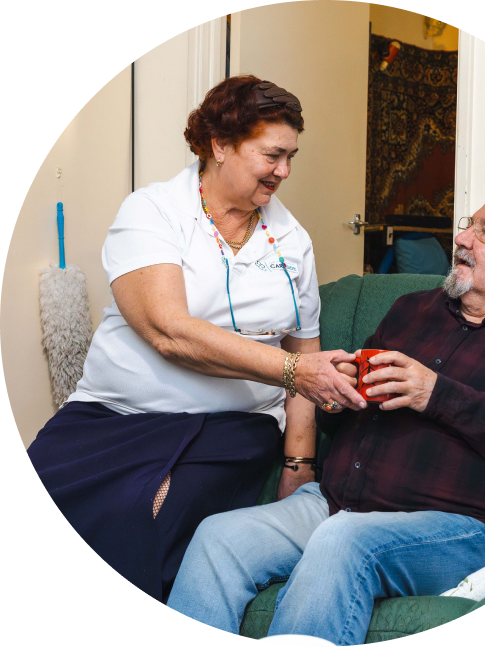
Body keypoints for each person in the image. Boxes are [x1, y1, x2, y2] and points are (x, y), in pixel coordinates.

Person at [167, 194, 485, 644]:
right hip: (336, 502)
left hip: (461, 527)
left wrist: (438, 395)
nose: (462, 238)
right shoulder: (413, 309)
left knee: (344, 540)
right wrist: (336, 396)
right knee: (219, 536)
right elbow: (347, 414)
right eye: (468, 225)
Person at [26, 75, 367, 604]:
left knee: (149, 511)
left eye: (291, 156)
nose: (285, 171)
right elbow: (169, 331)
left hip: (231, 427)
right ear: (221, 145)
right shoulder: (153, 211)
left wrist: (300, 467)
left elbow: (306, 352)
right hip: (114, 413)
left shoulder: (292, 240)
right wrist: (295, 373)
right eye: (273, 155)